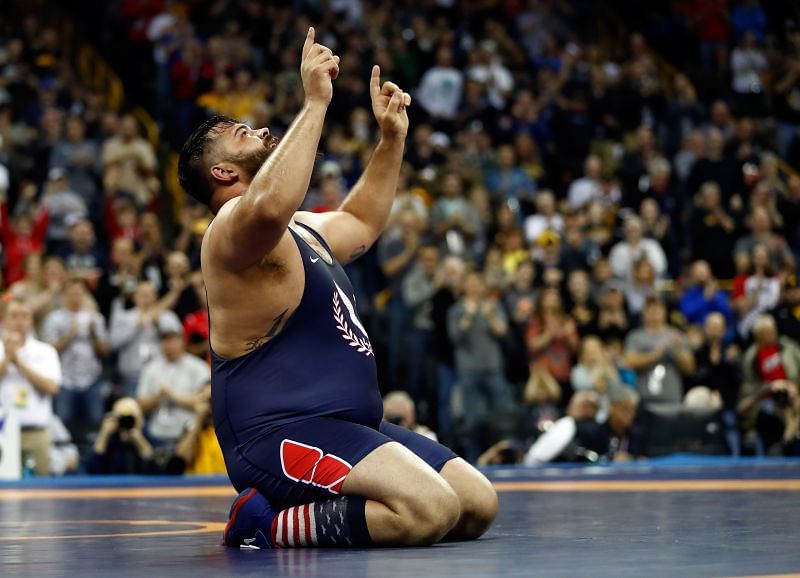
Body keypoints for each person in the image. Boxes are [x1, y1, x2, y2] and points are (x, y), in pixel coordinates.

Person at [177, 29, 496, 549]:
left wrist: (391, 140)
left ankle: (309, 509)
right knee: (428, 509)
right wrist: (316, 101)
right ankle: (265, 524)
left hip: (348, 424)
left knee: (477, 504)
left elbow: (360, 221)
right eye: (241, 132)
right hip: (277, 434)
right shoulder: (232, 227)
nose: (258, 129)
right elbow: (267, 206)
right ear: (221, 171)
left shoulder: (297, 226)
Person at [0, 299, 62, 476]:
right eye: (14, 316)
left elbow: (52, 387)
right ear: (4, 319)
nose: (19, 321)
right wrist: (6, 359)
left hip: (36, 431)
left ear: (31, 321)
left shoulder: (45, 351)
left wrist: (19, 363)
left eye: (24, 316)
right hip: (2, 433)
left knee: (41, 490)